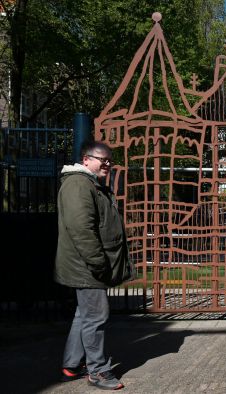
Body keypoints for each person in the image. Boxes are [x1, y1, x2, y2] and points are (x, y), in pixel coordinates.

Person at [54, 141, 133, 390]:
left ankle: (72, 365)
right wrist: (99, 263)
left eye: (110, 160)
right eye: (102, 159)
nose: (107, 164)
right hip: (87, 266)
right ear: (86, 159)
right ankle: (98, 371)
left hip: (87, 265)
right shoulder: (78, 184)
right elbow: (81, 230)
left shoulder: (89, 183)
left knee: (84, 315)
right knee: (96, 317)